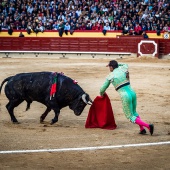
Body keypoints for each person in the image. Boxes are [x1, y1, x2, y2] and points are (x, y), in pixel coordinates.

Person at [100, 60, 154, 135]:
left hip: (125, 96)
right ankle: (142, 129)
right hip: (132, 93)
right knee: (134, 112)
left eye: (109, 66)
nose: (109, 68)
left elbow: (102, 89)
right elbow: (125, 64)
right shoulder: (123, 68)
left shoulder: (110, 76)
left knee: (130, 116)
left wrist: (101, 94)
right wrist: (116, 64)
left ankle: (148, 126)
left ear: (111, 67)